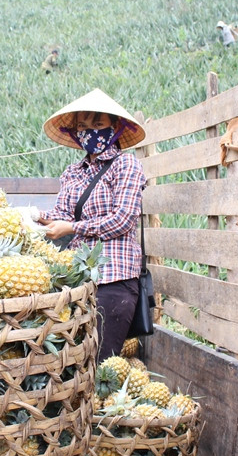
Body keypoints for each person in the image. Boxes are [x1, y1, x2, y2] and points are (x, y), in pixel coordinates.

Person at [25, 89, 147, 361]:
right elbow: (62, 214)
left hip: (114, 279)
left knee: (99, 362)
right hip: (78, 280)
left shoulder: (125, 164)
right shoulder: (72, 172)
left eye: (98, 125)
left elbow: (123, 220)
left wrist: (72, 229)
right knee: (75, 363)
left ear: (115, 128)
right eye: (83, 126)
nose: (89, 132)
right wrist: (35, 216)